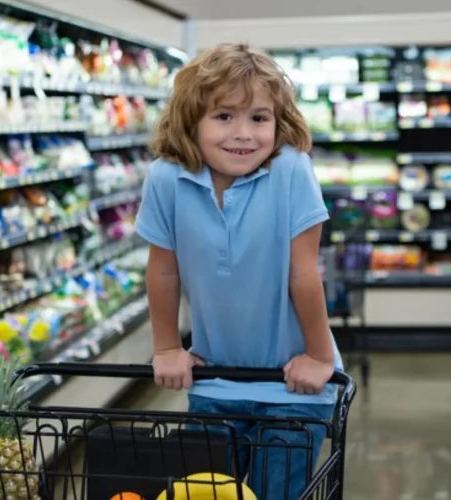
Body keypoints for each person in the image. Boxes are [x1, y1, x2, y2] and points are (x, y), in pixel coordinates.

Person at [134, 42, 344, 500]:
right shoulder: (166, 179)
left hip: (293, 385)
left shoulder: (291, 170)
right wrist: (168, 347)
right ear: (191, 120)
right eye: (224, 116)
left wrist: (319, 356)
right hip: (215, 380)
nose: (244, 134)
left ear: (279, 122)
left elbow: (303, 272)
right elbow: (163, 271)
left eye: (259, 118)